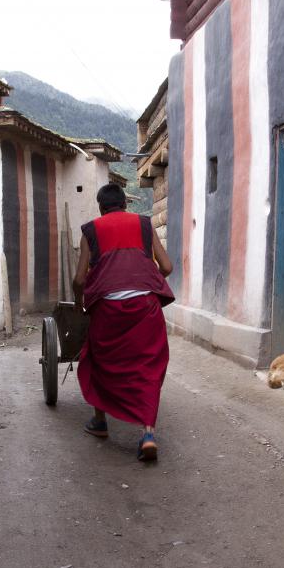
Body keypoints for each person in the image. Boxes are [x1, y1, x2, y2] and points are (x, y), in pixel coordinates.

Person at [73, 184, 174, 461]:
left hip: (108, 309)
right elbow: (166, 267)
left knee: (98, 360)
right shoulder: (144, 224)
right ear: (124, 205)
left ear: (101, 207)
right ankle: (148, 434)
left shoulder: (90, 230)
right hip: (146, 307)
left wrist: (80, 303)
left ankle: (100, 422)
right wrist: (143, 279)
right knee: (148, 366)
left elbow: (81, 279)